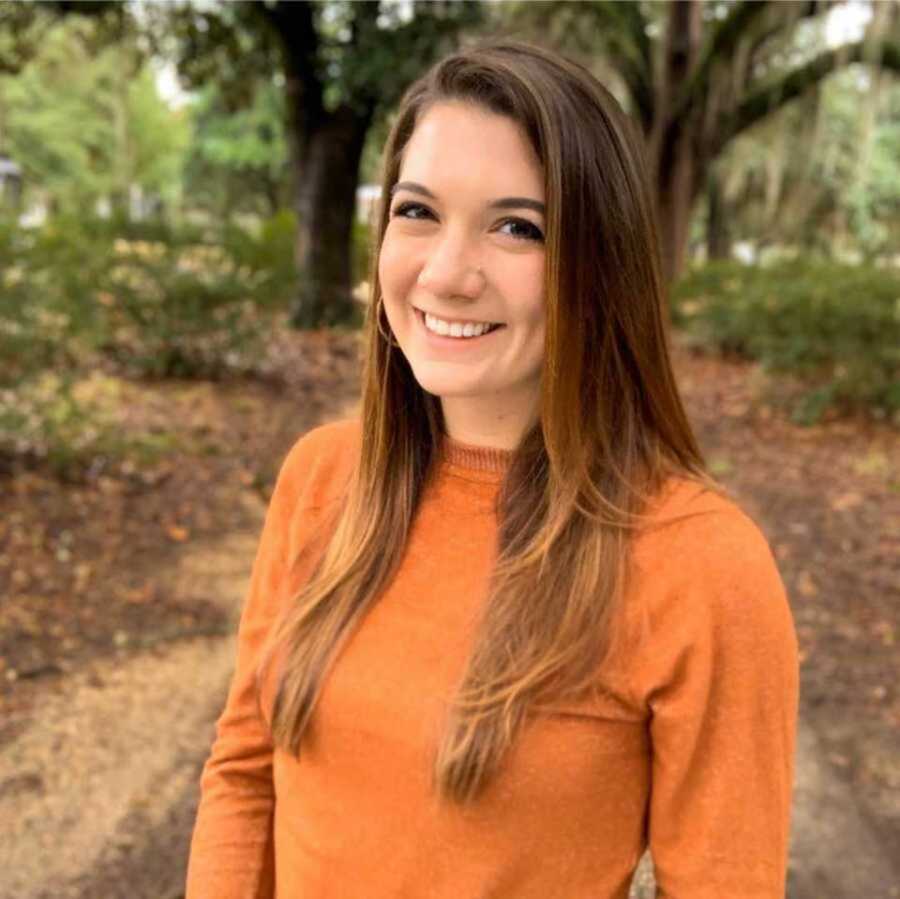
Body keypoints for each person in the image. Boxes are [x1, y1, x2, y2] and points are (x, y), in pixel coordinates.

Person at [185, 39, 799, 899]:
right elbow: (246, 773)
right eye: (418, 212)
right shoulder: (322, 477)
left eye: (518, 226)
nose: (446, 273)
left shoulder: (702, 563)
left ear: (602, 263)